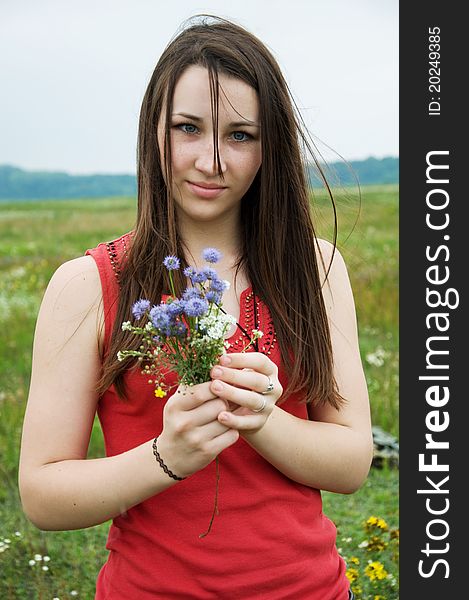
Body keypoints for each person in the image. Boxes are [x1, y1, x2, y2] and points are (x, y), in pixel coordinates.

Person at [18, 14, 372, 600]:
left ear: (269, 148)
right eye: (188, 128)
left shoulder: (317, 269)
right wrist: (166, 455)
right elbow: (42, 495)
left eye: (240, 135)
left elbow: (352, 462)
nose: (212, 161)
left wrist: (262, 419)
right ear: (152, 132)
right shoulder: (87, 286)